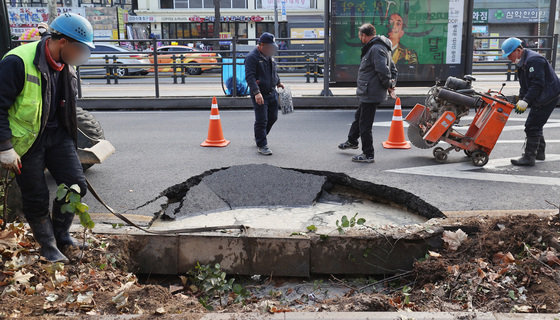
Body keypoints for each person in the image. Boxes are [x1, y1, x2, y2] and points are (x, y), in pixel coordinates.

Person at [0, 13, 95, 263]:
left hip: (57, 135)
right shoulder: (17, 62)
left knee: (76, 185)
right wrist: (5, 146)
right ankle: (48, 245)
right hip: (28, 142)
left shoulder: (65, 64)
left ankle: (61, 234)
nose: (80, 55)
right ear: (62, 41)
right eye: (79, 48)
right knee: (36, 196)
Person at [338, 24, 397, 163]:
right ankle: (352, 141)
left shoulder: (376, 49)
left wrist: (389, 85)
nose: (360, 38)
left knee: (365, 124)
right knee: (359, 117)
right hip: (368, 91)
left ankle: (368, 154)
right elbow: (393, 69)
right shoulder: (378, 47)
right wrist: (391, 85)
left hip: (371, 93)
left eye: (360, 35)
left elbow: (384, 70)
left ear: (364, 35)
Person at [501, 37, 560, 166]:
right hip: (542, 94)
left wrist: (526, 100)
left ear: (518, 50)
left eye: (509, 54)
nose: (508, 58)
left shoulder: (534, 60)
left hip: (547, 96)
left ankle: (529, 158)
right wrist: (521, 98)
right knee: (536, 123)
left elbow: (537, 84)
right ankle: (539, 152)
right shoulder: (522, 61)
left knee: (531, 126)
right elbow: (524, 84)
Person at [244, 32, 284, 156]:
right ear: (261, 45)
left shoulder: (269, 55)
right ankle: (262, 144)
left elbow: (273, 71)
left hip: (272, 91)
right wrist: (256, 92)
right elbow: (250, 76)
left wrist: (278, 82)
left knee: (273, 117)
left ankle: (260, 136)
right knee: (262, 119)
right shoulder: (252, 57)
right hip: (260, 93)